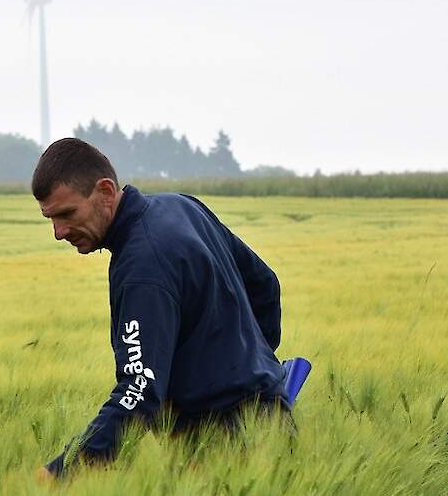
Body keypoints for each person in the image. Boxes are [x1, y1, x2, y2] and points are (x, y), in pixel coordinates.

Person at [31, 138, 292, 478]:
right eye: (51, 218)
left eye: (67, 214)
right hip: (275, 424)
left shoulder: (143, 267)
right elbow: (265, 285)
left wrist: (61, 472)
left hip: (221, 449)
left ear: (106, 192)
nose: (58, 232)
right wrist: (253, 367)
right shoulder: (182, 206)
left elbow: (139, 392)